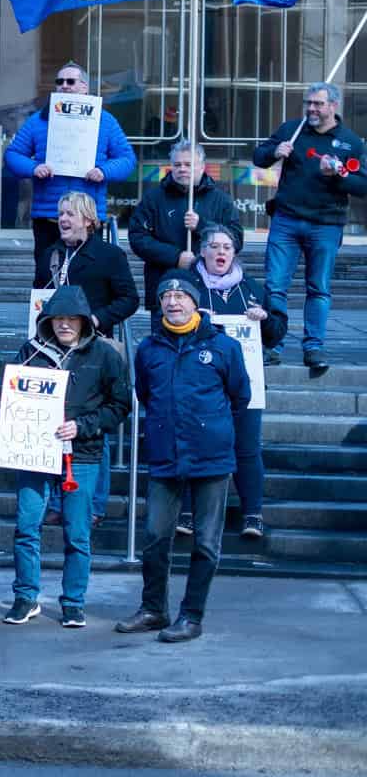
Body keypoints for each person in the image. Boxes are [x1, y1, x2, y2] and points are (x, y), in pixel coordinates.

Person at [120, 274, 252, 643]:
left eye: (181, 296)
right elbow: (145, 393)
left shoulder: (224, 347)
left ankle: (191, 616)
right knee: (154, 536)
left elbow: (240, 396)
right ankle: (153, 609)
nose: (173, 302)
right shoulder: (148, 349)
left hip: (210, 457)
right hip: (164, 454)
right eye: (167, 296)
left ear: (195, 303)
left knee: (206, 542)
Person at [6, 286, 131, 628]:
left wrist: (84, 426)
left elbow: (120, 405)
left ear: (83, 321)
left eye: (71, 319)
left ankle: (73, 602)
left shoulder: (105, 356)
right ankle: (25, 597)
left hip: (84, 455)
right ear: (47, 321)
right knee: (26, 527)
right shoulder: (29, 353)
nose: (64, 325)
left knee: (77, 533)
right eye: (58, 318)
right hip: (34, 453)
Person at [253, 81, 367, 376]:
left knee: (319, 288)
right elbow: (259, 157)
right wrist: (275, 151)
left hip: (326, 225)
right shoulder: (292, 129)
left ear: (333, 106)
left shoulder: (350, 142)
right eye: (308, 103)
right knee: (275, 285)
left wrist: (338, 175)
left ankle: (313, 347)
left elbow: (362, 185)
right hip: (286, 220)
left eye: (317, 104)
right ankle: (273, 346)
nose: (311, 109)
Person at [189, 225, 280, 541]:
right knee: (197, 445)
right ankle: (189, 513)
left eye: (227, 247)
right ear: (202, 251)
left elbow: (277, 331)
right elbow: (165, 321)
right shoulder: (188, 284)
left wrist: (265, 318)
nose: (221, 252)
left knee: (247, 449)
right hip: (199, 384)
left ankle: (253, 514)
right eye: (214, 246)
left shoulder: (250, 288)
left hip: (246, 383)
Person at [3, 62, 137, 252]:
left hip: (87, 217)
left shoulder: (105, 120)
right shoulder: (39, 120)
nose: (64, 85)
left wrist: (104, 171)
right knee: (46, 275)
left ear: (84, 87)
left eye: (71, 81)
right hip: (48, 216)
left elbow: (127, 159)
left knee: (87, 277)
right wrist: (34, 168)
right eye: (60, 81)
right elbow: (12, 155)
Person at [127, 140, 240, 310]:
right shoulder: (154, 198)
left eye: (188, 164)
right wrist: (175, 257)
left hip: (209, 291)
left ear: (202, 167)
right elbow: (137, 237)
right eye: (177, 164)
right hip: (164, 286)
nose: (182, 169)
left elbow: (236, 239)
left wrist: (202, 226)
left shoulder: (221, 200)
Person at [37, 192, 139, 337]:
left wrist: (97, 319)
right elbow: (38, 296)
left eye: (70, 214)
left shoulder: (110, 255)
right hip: (52, 339)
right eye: (61, 214)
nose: (62, 219)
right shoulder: (48, 254)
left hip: (93, 341)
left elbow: (129, 300)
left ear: (87, 220)